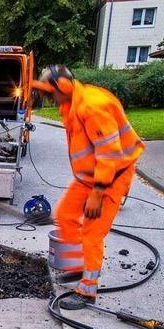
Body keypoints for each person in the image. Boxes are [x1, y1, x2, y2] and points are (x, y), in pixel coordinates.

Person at [32, 65, 144, 309]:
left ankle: (87, 291)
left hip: (110, 178)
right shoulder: (71, 103)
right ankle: (78, 267)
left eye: (50, 93)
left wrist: (98, 193)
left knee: (93, 233)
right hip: (88, 177)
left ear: (63, 86)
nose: (48, 99)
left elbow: (109, 154)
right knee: (65, 215)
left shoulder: (92, 106)